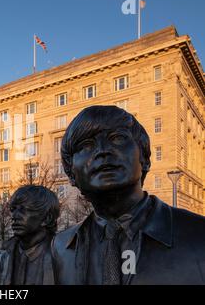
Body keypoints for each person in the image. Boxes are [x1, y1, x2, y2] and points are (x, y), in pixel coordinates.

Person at [52, 105, 205, 284]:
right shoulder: (61, 246)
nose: (102, 151)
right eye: (86, 146)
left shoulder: (199, 233)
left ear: (145, 159)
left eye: (117, 138)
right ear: (71, 174)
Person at [0, 185, 59, 285]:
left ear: (47, 218)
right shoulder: (3, 260)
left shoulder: (62, 260)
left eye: (23, 209)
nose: (14, 216)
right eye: (13, 209)